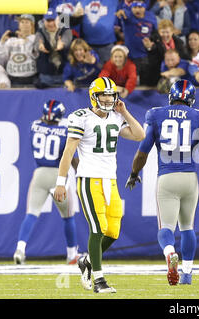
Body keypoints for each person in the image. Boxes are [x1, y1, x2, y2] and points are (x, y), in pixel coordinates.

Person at [53, 76, 145, 293]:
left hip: (109, 180)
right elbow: (69, 152)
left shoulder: (115, 116)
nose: (107, 99)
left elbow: (139, 134)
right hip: (88, 179)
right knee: (97, 228)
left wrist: (124, 112)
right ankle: (99, 281)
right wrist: (60, 182)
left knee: (113, 231)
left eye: (111, 95)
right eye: (104, 94)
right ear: (94, 96)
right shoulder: (80, 117)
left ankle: (86, 261)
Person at [125, 79, 199, 286]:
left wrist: (134, 173)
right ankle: (187, 273)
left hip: (167, 177)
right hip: (189, 179)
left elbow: (143, 151)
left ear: (171, 96)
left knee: (166, 227)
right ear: (191, 99)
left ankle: (170, 254)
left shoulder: (156, 114)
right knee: (187, 228)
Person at [13, 100, 80, 265]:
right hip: (59, 175)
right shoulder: (65, 132)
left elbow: (43, 123)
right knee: (68, 216)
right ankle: (71, 254)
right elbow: (72, 158)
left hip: (40, 173)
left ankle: (20, 249)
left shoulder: (34, 125)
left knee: (31, 213)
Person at [117, 0, 158, 86]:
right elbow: (123, 13)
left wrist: (151, 44)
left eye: (140, 7)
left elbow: (155, 34)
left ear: (145, 7)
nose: (137, 10)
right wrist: (121, 12)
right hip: (130, 57)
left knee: (145, 85)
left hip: (146, 57)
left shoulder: (151, 17)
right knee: (129, 85)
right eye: (135, 7)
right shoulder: (128, 16)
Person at [34, 8, 73, 88]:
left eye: (53, 20)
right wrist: (40, 46)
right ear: (44, 21)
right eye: (48, 21)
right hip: (46, 76)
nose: (51, 23)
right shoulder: (40, 32)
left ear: (58, 19)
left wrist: (62, 44)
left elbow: (67, 40)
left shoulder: (66, 30)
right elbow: (37, 41)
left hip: (64, 74)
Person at [0, 14, 38, 86]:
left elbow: (36, 55)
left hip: (31, 78)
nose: (24, 24)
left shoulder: (36, 38)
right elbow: (1, 56)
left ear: (32, 25)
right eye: (22, 22)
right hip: (13, 78)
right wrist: (2, 42)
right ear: (19, 25)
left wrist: (26, 40)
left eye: (27, 22)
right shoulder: (11, 40)